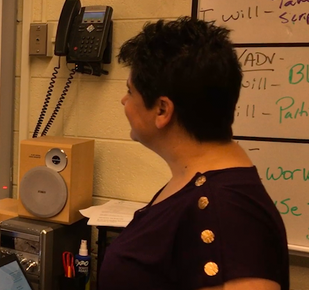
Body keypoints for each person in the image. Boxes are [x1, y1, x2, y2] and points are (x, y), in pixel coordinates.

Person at [97, 17, 289, 290]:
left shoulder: (228, 212)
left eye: (130, 91)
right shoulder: (194, 182)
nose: (124, 101)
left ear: (162, 110)